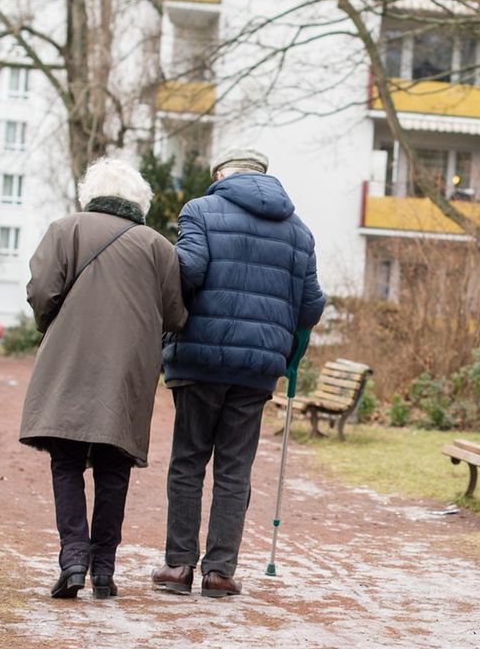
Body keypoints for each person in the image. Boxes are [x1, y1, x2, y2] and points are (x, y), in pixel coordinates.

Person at [152, 147, 325, 598]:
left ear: (220, 174)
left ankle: (178, 566)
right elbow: (311, 307)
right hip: (256, 368)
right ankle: (219, 572)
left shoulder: (199, 211)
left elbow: (188, 271)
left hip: (199, 358)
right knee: (235, 468)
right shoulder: (299, 231)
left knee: (188, 461)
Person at [19, 157, 187, 600]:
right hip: (129, 369)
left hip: (70, 358)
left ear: (90, 193)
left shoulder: (65, 229)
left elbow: (42, 292)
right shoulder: (158, 247)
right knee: (115, 465)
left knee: (67, 459)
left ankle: (74, 558)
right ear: (140, 201)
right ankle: (104, 569)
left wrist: (54, 324)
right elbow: (175, 315)